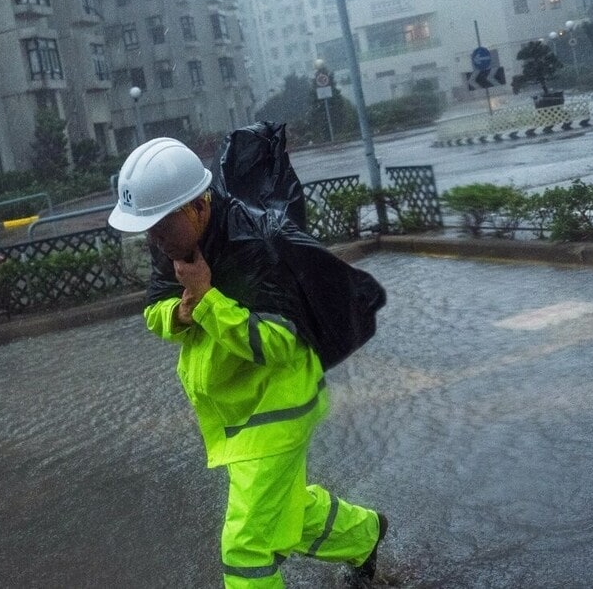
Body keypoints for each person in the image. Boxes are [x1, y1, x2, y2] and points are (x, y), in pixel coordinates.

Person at [110, 137, 387, 588]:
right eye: (148, 231)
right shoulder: (175, 248)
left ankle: (360, 537)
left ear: (196, 206)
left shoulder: (258, 244)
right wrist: (182, 310)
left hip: (277, 405)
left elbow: (277, 344)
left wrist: (206, 298)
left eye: (160, 227)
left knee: (246, 546)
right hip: (236, 411)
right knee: (283, 511)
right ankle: (363, 534)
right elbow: (154, 312)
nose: (154, 241)